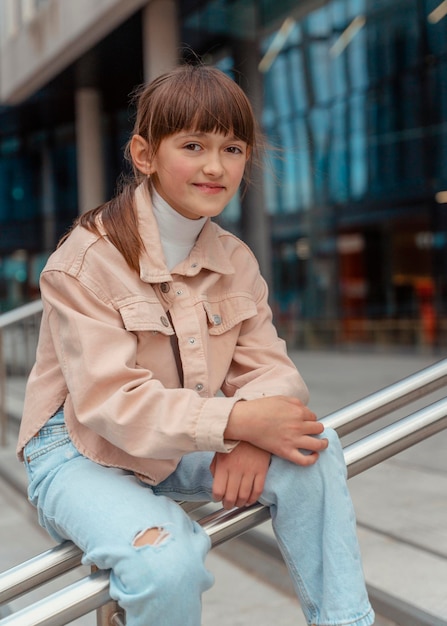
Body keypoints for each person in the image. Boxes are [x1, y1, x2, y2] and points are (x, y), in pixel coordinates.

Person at [17, 64, 374, 626]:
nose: (215, 166)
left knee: (312, 447)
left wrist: (255, 435)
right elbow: (113, 403)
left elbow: (272, 371)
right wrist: (239, 422)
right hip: (79, 447)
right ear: (144, 153)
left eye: (232, 149)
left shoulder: (234, 259)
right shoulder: (84, 262)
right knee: (165, 563)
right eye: (193, 145)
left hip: (175, 438)